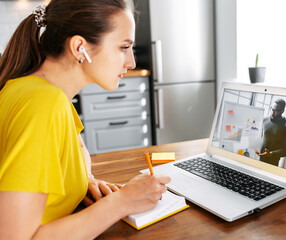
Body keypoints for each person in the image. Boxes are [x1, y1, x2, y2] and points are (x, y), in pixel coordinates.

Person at [0, 0, 170, 238]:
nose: (131, 63)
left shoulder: (39, 90)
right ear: (80, 47)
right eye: (123, 47)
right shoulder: (43, 103)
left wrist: (85, 180)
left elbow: (77, 149)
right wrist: (122, 202)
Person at [256, 99, 286, 166]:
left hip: (272, 163)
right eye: (272, 110)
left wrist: (270, 154)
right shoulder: (264, 120)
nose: (273, 113)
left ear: (282, 111)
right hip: (257, 159)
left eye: (276, 111)